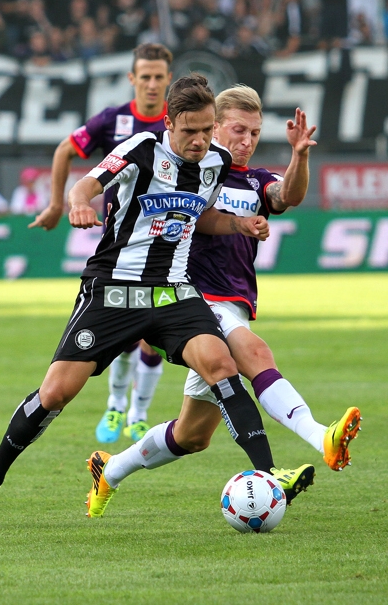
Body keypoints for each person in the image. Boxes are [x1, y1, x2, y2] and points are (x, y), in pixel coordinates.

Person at [0, 74, 312, 528]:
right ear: (169, 123)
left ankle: (267, 471)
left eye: (207, 130)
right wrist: (79, 205)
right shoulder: (140, 148)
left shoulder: (216, 160)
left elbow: (200, 212)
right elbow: (85, 185)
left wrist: (238, 225)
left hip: (172, 291)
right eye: (190, 132)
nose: (201, 141)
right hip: (113, 290)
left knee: (221, 363)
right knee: (55, 393)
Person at [83, 86, 361, 520]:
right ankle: (318, 437)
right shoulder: (193, 171)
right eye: (238, 130)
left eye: (254, 132)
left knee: (193, 435)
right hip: (185, 300)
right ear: (214, 127)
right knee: (254, 351)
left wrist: (299, 156)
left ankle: (110, 471)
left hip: (233, 302)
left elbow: (286, 197)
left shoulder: (254, 179)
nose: (246, 140)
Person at [29, 43, 174, 444]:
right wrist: (58, 203)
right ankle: (115, 408)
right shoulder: (114, 120)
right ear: (132, 79)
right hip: (122, 244)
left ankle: (139, 413)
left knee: (152, 338)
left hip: (166, 243)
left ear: (168, 79)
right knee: (125, 335)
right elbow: (64, 150)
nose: (151, 83)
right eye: (144, 76)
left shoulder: (180, 123)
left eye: (159, 76)